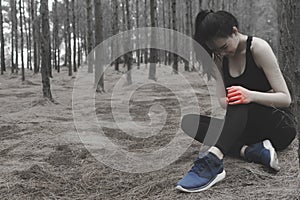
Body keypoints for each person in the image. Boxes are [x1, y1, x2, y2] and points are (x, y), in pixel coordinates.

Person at [176, 10, 297, 193]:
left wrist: (250, 95)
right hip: (246, 126)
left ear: (234, 31)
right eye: (216, 50)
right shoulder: (219, 58)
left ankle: (214, 160)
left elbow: (285, 98)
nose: (222, 53)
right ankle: (250, 151)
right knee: (190, 122)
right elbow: (223, 101)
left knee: (239, 98)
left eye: (224, 47)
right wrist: (238, 96)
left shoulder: (258, 48)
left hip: (279, 126)